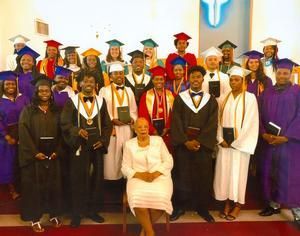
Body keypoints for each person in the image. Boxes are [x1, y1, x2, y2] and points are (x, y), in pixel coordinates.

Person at [61, 71, 112, 227]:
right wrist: (77, 131)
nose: (89, 83)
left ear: (95, 84)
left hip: (96, 146)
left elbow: (107, 125)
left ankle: (93, 211)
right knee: (78, 179)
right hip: (79, 146)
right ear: (80, 84)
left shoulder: (101, 101)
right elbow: (64, 123)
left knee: (96, 179)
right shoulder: (72, 102)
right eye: (86, 81)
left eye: (92, 81)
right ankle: (77, 213)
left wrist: (103, 141)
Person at [170, 65, 218, 222]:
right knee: (182, 175)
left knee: (203, 177)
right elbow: (175, 121)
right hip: (184, 146)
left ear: (203, 79)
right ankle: (180, 207)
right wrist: (185, 141)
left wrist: (199, 141)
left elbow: (213, 123)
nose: (195, 79)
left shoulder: (210, 100)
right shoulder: (180, 98)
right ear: (188, 79)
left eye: (198, 77)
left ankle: (202, 208)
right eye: (192, 77)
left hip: (202, 146)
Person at [258, 58, 300, 228]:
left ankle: (297, 211)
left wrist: (287, 136)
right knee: (270, 173)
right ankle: (273, 205)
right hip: (270, 142)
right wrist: (264, 134)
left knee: (292, 176)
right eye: (279, 73)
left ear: (291, 74)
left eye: (285, 73)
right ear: (275, 74)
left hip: (290, 144)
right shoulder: (267, 92)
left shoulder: (297, 92)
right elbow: (259, 115)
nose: (282, 76)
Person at [213, 66, 259, 221]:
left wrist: (237, 142)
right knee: (225, 174)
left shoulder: (250, 98)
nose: (233, 82)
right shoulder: (223, 98)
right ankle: (227, 202)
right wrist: (220, 139)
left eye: (236, 79)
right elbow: (217, 121)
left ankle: (238, 204)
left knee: (238, 174)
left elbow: (251, 122)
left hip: (240, 146)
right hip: (225, 145)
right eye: (231, 79)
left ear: (243, 81)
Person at [18, 75, 63, 233]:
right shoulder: (28, 110)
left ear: (51, 93)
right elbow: (23, 132)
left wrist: (58, 150)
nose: (44, 93)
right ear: (36, 93)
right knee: (34, 188)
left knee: (54, 186)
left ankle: (53, 214)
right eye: (41, 90)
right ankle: (34, 218)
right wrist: (34, 152)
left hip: (53, 155)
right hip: (34, 157)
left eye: (47, 90)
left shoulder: (57, 111)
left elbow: (62, 132)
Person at [121, 117, 173, 236]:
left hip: (160, 176)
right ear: (134, 129)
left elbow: (168, 161)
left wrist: (155, 173)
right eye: (140, 127)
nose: (143, 129)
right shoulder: (129, 145)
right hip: (137, 178)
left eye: (145, 126)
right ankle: (150, 232)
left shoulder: (158, 140)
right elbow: (125, 167)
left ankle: (145, 230)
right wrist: (140, 175)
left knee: (161, 200)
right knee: (137, 200)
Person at [99, 62, 137, 180]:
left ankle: (125, 178)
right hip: (112, 128)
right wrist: (112, 120)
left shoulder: (129, 90)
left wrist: (132, 118)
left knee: (126, 153)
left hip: (126, 128)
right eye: (116, 73)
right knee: (111, 156)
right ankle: (111, 180)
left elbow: (133, 109)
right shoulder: (104, 90)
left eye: (121, 73)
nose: (119, 76)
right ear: (110, 76)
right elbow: (102, 109)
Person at [0, 71, 29, 200]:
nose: (10, 86)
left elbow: (29, 114)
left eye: (12, 83)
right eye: (7, 84)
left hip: (23, 131)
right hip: (6, 135)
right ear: (2, 85)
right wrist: (6, 136)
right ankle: (12, 189)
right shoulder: (0, 100)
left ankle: (25, 187)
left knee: (23, 161)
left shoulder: (23, 98)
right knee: (9, 162)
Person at [138, 66, 174, 150]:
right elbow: (143, 115)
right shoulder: (146, 96)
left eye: (161, 79)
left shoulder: (171, 95)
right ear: (152, 80)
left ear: (164, 80)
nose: (159, 81)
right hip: (151, 134)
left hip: (168, 134)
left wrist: (167, 127)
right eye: (156, 79)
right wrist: (152, 130)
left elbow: (174, 114)